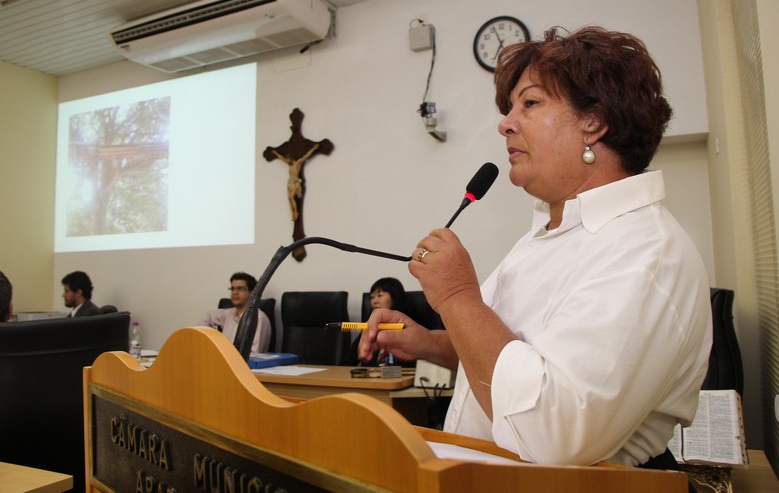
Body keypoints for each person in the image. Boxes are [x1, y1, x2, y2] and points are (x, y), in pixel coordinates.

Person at [358, 26, 712, 470]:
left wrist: (456, 297)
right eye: (509, 108)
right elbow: (516, 359)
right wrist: (431, 342)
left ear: (595, 122)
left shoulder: (645, 252)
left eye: (530, 103)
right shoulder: (546, 234)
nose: (505, 123)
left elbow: (553, 433)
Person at [199, 272, 271, 353]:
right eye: (233, 289)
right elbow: (209, 316)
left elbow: (254, 353)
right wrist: (207, 341)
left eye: (240, 288)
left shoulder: (258, 318)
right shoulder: (228, 314)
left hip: (246, 364)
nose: (235, 292)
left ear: (252, 293)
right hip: (224, 360)